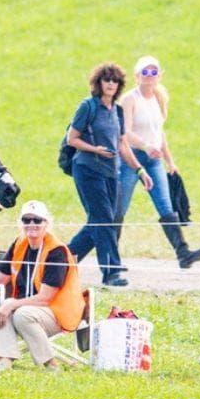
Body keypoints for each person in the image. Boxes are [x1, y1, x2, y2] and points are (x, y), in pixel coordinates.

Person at [0, 200, 84, 371]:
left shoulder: (56, 251)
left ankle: (50, 364)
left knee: (20, 313)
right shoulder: (19, 244)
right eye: (26, 220)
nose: (31, 224)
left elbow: (45, 298)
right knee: (9, 310)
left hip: (57, 313)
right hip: (29, 309)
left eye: (37, 220)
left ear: (47, 223)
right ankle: (4, 362)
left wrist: (11, 303)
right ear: (20, 223)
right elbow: (0, 276)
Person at [117, 56, 200, 269]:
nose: (149, 77)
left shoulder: (157, 98)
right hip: (132, 158)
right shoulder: (130, 99)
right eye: (145, 73)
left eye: (153, 72)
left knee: (165, 205)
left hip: (154, 160)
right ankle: (111, 258)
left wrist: (170, 161)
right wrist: (146, 145)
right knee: (119, 207)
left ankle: (183, 252)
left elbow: (159, 133)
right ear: (137, 76)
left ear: (159, 75)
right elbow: (125, 133)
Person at [66, 62, 151, 287]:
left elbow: (123, 145)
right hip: (87, 169)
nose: (111, 84)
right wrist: (95, 150)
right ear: (99, 83)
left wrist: (140, 171)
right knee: (103, 219)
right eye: (107, 80)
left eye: (115, 81)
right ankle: (111, 272)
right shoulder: (88, 107)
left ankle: (62, 261)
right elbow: (71, 139)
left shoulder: (118, 111)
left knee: (102, 220)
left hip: (111, 172)